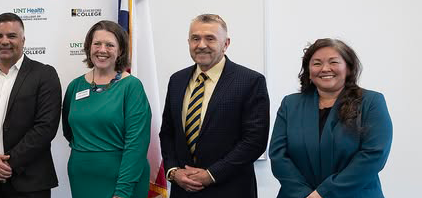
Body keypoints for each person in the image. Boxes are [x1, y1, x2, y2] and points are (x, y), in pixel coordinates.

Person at [159, 14, 269, 198]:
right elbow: (168, 132)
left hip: (231, 190)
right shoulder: (177, 80)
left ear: (226, 44)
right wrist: (173, 171)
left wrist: (211, 175)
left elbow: (254, 141)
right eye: (195, 38)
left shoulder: (250, 81)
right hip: (183, 191)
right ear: (188, 42)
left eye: (210, 38)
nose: (201, 45)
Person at [270, 38, 392, 198]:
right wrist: (304, 194)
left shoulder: (371, 102)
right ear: (308, 69)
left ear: (348, 68)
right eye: (317, 63)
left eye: (333, 62)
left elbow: (374, 155)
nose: (325, 68)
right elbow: (278, 155)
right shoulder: (290, 104)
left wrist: (323, 194)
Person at [0, 12, 62, 198]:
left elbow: (45, 128)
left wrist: (7, 164)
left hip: (31, 183)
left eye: (11, 36)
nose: (4, 41)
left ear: (23, 40)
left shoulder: (44, 75)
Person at [61, 21, 150, 198]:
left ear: (121, 51)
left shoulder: (131, 86)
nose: (102, 50)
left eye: (110, 45)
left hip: (122, 180)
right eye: (97, 44)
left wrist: (122, 192)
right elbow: (69, 132)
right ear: (88, 47)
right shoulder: (75, 86)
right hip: (82, 179)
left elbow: (137, 144)